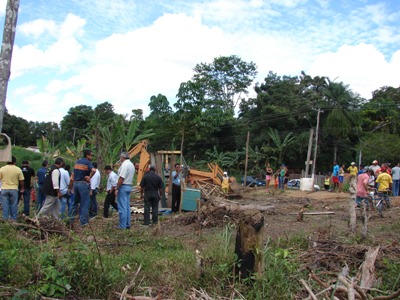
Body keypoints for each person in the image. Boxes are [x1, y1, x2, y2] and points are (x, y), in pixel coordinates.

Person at [69, 149, 96, 226]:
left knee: (74, 203)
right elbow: (94, 170)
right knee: (84, 204)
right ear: (87, 155)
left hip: (76, 183)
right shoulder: (88, 163)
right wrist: (89, 177)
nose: (91, 157)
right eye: (91, 155)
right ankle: (83, 223)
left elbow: (72, 175)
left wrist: (71, 186)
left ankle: (70, 220)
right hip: (83, 184)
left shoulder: (77, 162)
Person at [0, 156, 24, 220]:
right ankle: (13, 219)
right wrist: (22, 188)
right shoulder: (18, 169)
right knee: (14, 205)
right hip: (14, 189)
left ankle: (5, 219)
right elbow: (21, 180)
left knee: (5, 205)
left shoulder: (2, 169)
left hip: (4, 189)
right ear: (14, 162)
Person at [115, 152, 135, 229]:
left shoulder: (124, 165)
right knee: (126, 207)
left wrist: (117, 188)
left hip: (123, 186)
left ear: (122, 158)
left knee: (122, 207)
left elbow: (121, 178)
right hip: (129, 186)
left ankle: (122, 225)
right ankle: (127, 224)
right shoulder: (131, 165)